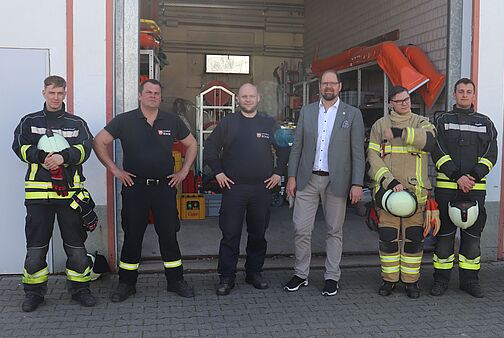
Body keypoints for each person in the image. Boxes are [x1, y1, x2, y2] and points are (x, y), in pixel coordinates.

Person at [93, 79, 198, 302]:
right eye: (148, 92)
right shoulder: (125, 120)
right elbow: (99, 141)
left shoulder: (171, 120)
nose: (152, 96)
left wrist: (184, 171)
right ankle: (126, 284)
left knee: (169, 235)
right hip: (135, 187)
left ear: (161, 97)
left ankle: (175, 281)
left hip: (165, 187)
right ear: (140, 96)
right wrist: (115, 170)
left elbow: (192, 144)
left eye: (156, 93)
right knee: (132, 236)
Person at [12, 75, 97, 311]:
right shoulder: (29, 122)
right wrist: (42, 157)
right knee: (36, 248)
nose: (56, 97)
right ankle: (33, 293)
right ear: (44, 93)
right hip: (39, 197)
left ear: (65, 93)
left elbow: (86, 148)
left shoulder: (76, 123)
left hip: (70, 196)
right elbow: (18, 146)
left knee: (76, 246)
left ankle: (80, 289)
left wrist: (64, 157)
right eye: (52, 93)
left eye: (60, 93)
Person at [284, 70, 365, 296]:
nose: (328, 87)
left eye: (332, 83)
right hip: (307, 179)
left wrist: (357, 183)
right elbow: (297, 147)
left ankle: (332, 276)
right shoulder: (307, 112)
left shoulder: (353, 114)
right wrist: (291, 176)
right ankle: (301, 274)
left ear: (339, 86)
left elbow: (358, 153)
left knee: (334, 230)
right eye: (324, 83)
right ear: (319, 87)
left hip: (336, 181)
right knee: (301, 228)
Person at [203, 83, 289, 295]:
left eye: (251, 96)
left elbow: (285, 147)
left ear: (258, 98)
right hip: (234, 188)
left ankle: (254, 273)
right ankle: (226, 277)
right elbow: (210, 147)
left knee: (258, 234)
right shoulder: (228, 123)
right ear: (238, 99)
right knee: (230, 234)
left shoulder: (269, 123)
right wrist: (218, 172)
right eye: (244, 96)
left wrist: (279, 173)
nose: (248, 99)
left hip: (261, 189)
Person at [430, 78, 498, 298]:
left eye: (469, 91)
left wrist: (474, 176)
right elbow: (437, 151)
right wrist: (457, 176)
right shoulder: (442, 120)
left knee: (472, 238)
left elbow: (491, 154)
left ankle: (470, 281)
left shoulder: (485, 122)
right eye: (461, 91)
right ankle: (441, 280)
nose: (465, 95)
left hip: (475, 189)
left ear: (474, 95)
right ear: (454, 94)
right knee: (444, 237)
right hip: (447, 188)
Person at [367, 86, 437, 298]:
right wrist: (389, 181)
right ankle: (389, 281)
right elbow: (372, 157)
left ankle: (411, 282)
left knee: (413, 240)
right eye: (399, 101)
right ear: (390, 104)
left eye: (407, 99)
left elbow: (430, 142)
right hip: (389, 194)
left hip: (416, 194)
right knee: (388, 238)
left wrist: (400, 133)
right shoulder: (380, 125)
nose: (405, 103)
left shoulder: (421, 121)